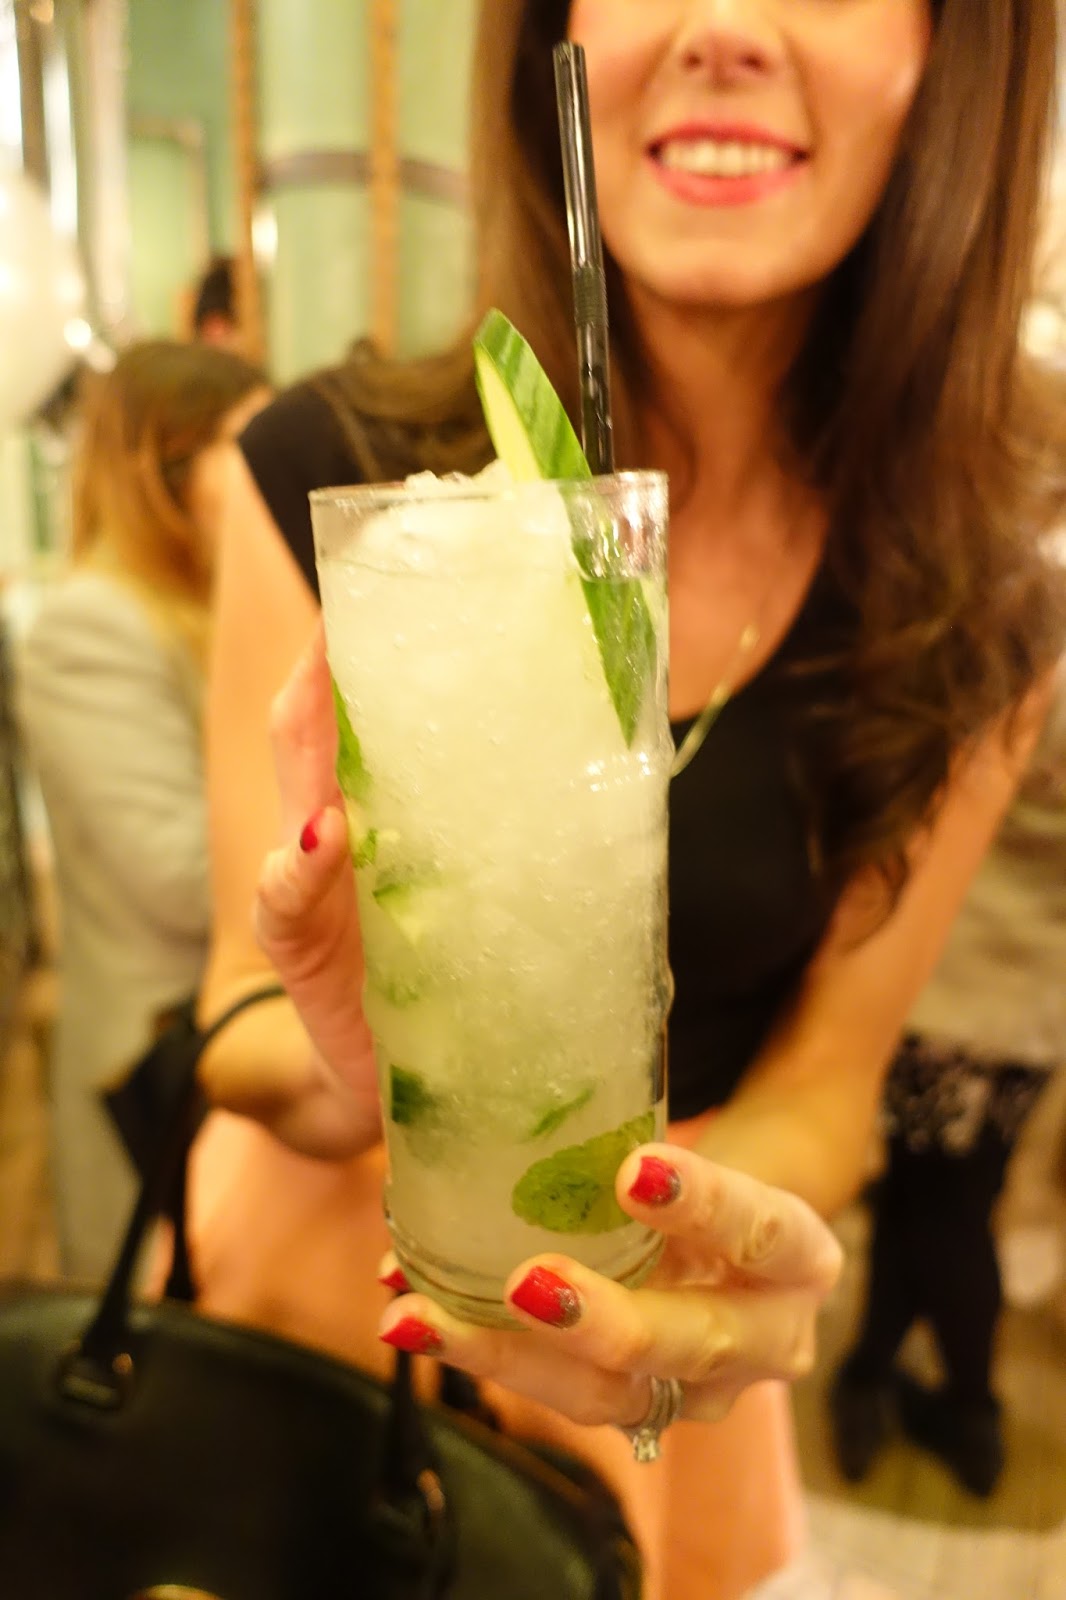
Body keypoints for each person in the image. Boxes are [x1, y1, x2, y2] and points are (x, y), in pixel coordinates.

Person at [188, 5, 1066, 1597]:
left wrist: (709, 1231)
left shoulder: (981, 609)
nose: (723, 25)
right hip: (318, 1315)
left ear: (954, 56)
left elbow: (826, 1080)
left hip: (648, 1315)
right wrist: (346, 1064)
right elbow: (232, 1005)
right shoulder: (343, 488)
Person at [14, 340, 269, 1280]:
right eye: (248, 445)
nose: (272, 472)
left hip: (228, 1052)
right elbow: (179, 877)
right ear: (164, 469)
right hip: (157, 1067)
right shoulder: (94, 623)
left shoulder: (207, 601)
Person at [830, 659, 1066, 1498]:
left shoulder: (1025, 646)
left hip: (952, 990)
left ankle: (971, 1408)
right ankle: (870, 1375)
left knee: (941, 1211)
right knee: (943, 1199)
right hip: (1037, 1003)